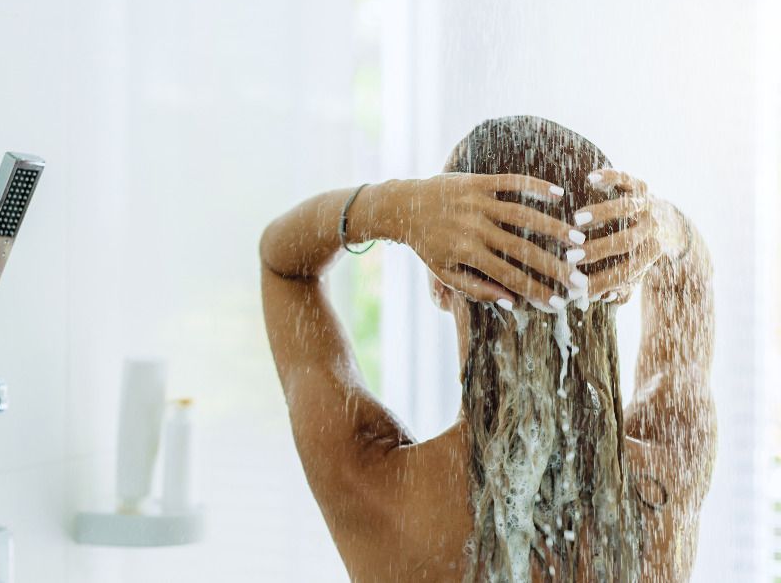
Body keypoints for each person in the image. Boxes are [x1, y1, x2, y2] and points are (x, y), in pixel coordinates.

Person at [259, 116, 715, 582]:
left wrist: (393, 206)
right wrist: (665, 223)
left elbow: (283, 265)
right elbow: (690, 283)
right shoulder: (669, 478)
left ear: (441, 283)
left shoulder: (375, 488)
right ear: (621, 284)